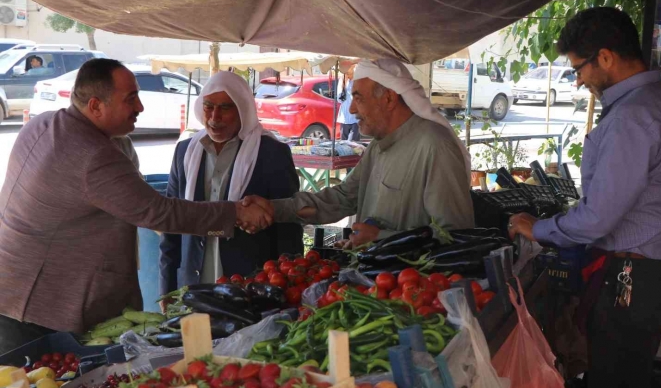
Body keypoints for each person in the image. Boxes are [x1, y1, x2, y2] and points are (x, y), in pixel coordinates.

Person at [508, 7, 661, 388]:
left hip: (633, 279)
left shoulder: (633, 117)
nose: (578, 80)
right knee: (627, 386)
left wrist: (537, 228)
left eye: (579, 68)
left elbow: (597, 218)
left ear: (607, 57)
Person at [0, 58, 271, 354]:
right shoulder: (92, 155)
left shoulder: (44, 122)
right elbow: (159, 212)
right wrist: (236, 212)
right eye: (130, 98)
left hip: (16, 288)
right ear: (95, 106)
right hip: (40, 307)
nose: (140, 107)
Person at [254, 58, 474, 247]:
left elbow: (456, 237)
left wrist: (381, 239)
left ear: (388, 98)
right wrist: (274, 208)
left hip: (412, 290)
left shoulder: (434, 145)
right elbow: (342, 198)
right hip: (375, 284)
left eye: (358, 98)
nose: (351, 109)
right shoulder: (378, 146)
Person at [159, 71, 302, 302]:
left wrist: (289, 290)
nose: (215, 117)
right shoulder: (185, 152)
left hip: (251, 286)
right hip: (193, 281)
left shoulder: (271, 153)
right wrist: (167, 289)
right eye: (208, 106)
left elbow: (288, 229)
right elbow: (171, 223)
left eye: (226, 108)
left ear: (243, 109)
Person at [338, 64, 360, 140]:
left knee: (353, 142)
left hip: (355, 118)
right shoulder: (343, 80)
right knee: (343, 143)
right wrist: (343, 88)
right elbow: (339, 99)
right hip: (344, 117)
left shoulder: (357, 80)